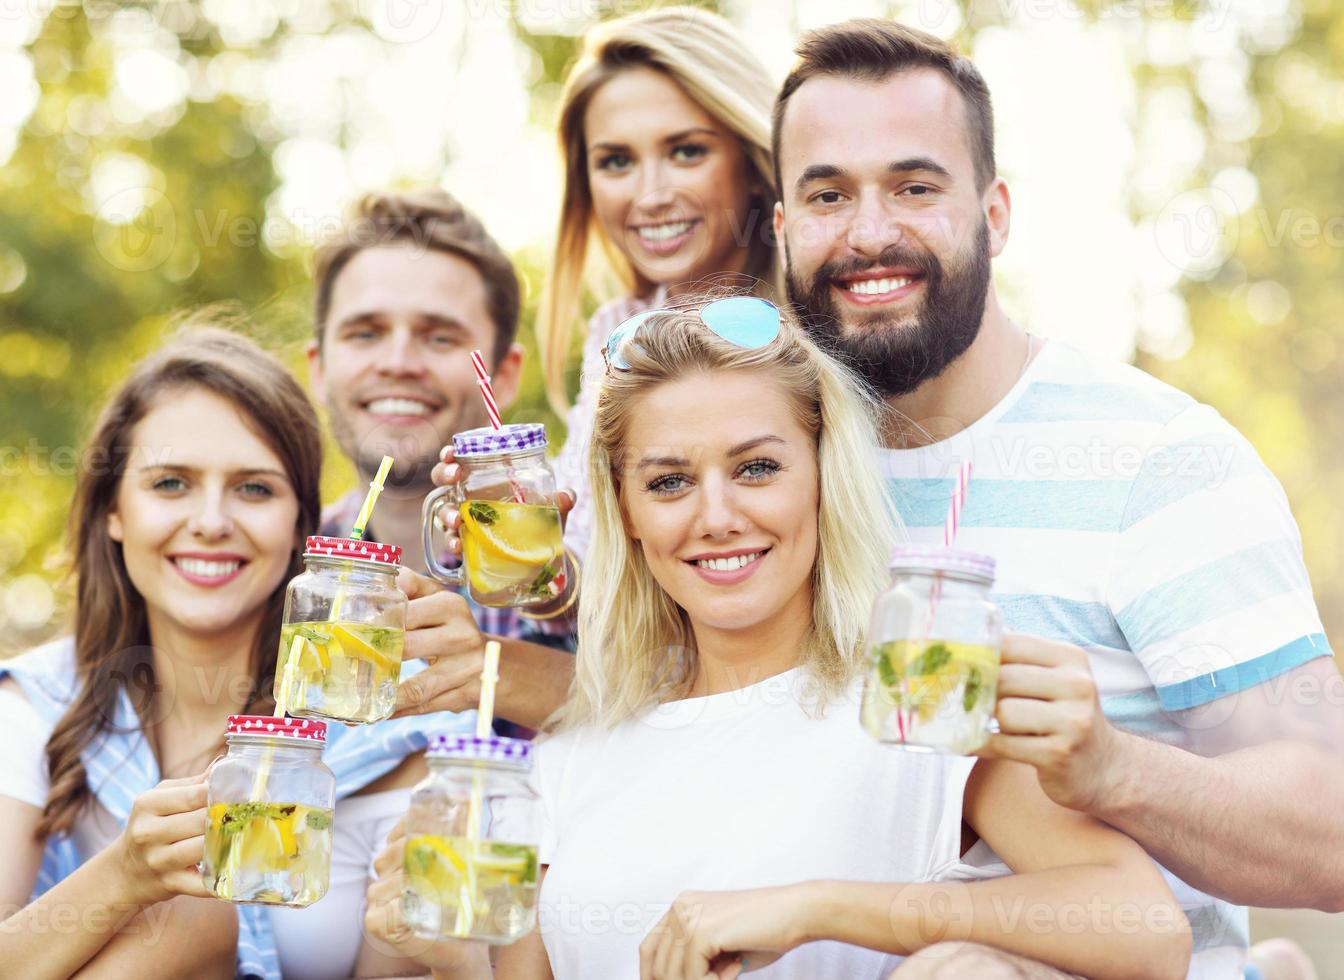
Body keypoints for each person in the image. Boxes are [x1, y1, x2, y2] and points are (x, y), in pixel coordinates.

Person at [767, 19, 1344, 979]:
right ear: (782, 227)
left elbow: (1329, 842)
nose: (870, 231)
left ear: (995, 215)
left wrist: (1115, 769)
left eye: (915, 188)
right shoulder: (757, 473)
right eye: (828, 194)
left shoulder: (1161, 460)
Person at [367, 300, 1192, 980]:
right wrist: (448, 957)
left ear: (822, 476)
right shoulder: (566, 754)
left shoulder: (923, 702)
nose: (717, 515)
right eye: (669, 482)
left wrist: (816, 906)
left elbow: (1147, 927)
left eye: (757, 468)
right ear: (624, 514)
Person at [403, 5, 783, 724]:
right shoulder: (618, 339)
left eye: (686, 151)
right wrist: (528, 544)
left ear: (752, 161)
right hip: (663, 709)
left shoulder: (820, 320)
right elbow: (584, 589)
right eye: (615, 162)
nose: (649, 194)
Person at [0, 328, 319, 979]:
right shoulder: (32, 708)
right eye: (171, 483)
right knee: (188, 910)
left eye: (254, 489)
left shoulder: (377, 728)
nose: (210, 521)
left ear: (299, 525)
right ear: (111, 510)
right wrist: (122, 876)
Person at [309, 188, 577, 737]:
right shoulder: (280, 572)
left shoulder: (580, 567)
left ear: (503, 375)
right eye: (365, 333)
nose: (399, 362)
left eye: (439, 336)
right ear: (319, 367)